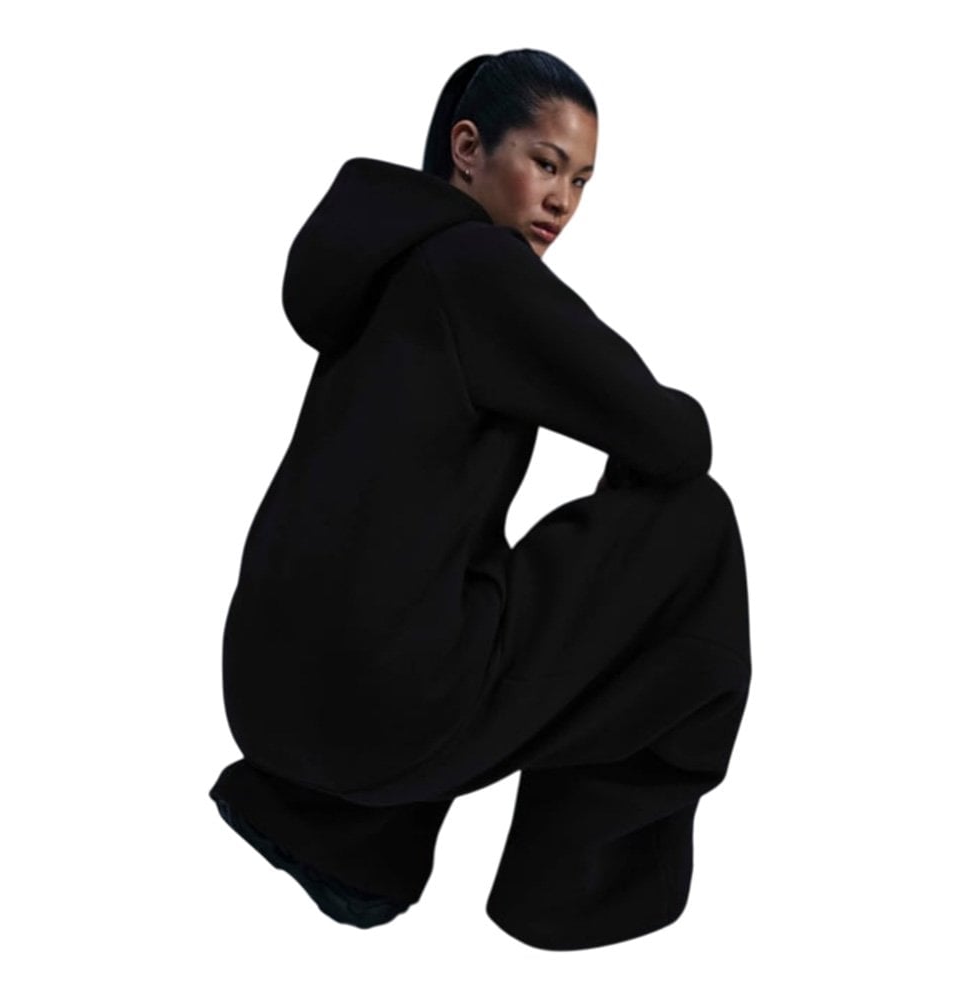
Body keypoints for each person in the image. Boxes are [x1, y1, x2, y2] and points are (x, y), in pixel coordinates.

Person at [208, 48, 752, 951]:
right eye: (545, 164)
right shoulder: (476, 267)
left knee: (449, 575)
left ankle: (351, 846)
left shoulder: (383, 270)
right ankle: (567, 892)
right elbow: (675, 441)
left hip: (260, 698)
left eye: (581, 181)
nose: (561, 202)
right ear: (468, 149)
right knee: (692, 523)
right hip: (382, 715)